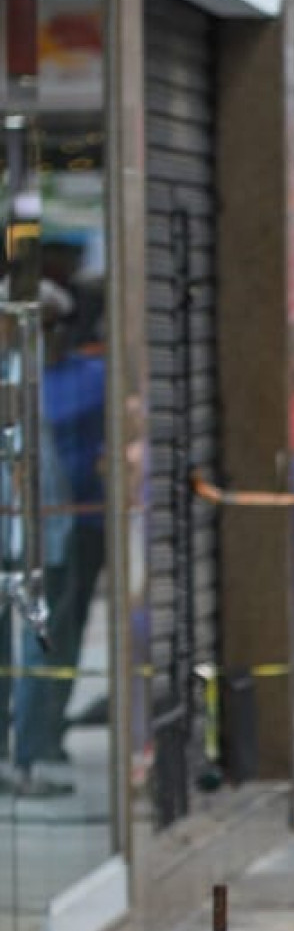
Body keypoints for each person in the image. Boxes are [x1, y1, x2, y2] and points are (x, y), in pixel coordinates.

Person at [13, 284, 108, 795]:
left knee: (49, 643)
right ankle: (26, 750)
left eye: (49, 323)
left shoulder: (93, 379)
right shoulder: (17, 378)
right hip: (29, 529)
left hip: (69, 531)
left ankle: (36, 747)